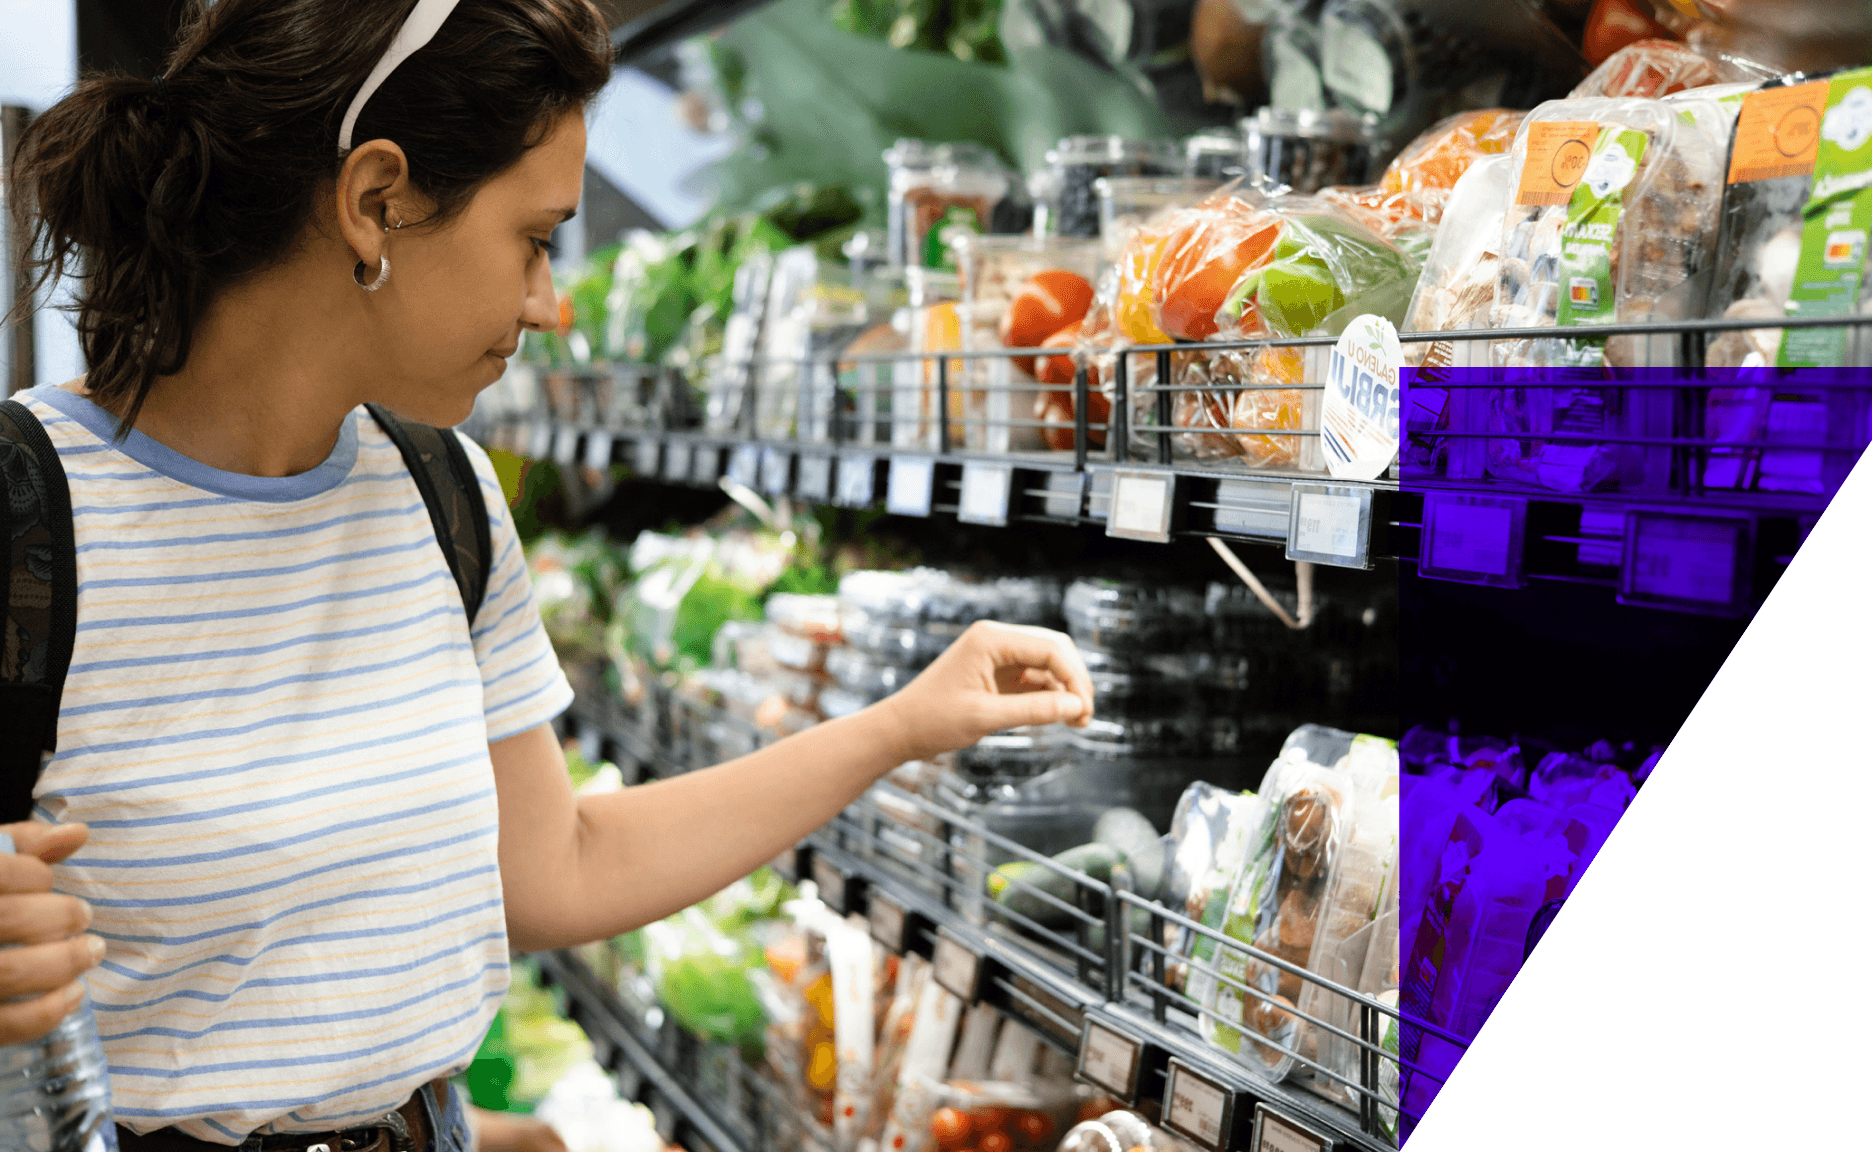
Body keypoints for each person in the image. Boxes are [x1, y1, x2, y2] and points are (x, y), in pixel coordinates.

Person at [0, 1, 1093, 1149]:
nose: (548, 301)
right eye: (535, 238)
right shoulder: (31, 516)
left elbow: (559, 867)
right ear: (378, 202)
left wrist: (904, 723)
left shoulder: (445, 499)